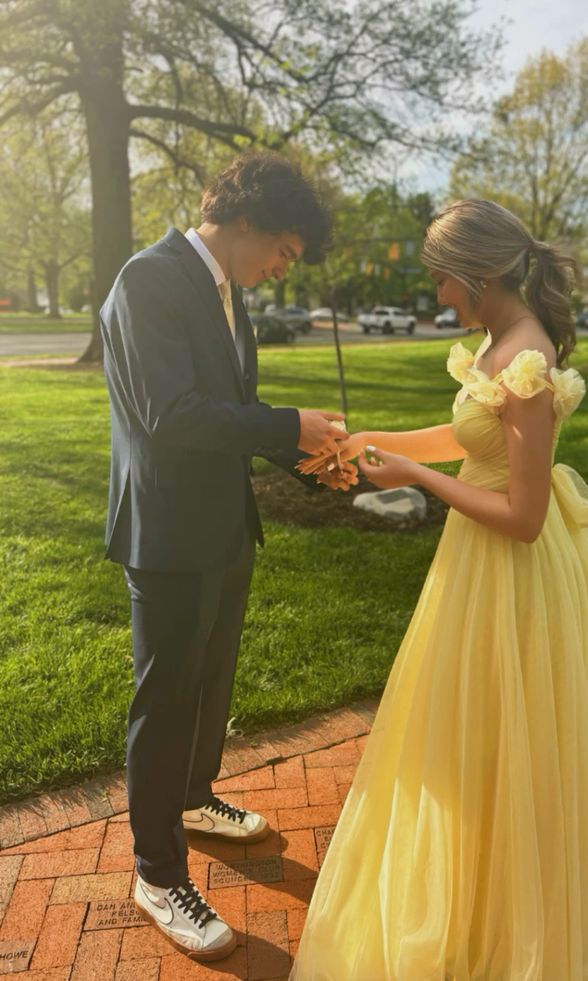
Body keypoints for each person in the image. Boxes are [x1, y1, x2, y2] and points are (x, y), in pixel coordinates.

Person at [291, 199, 588, 979]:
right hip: (474, 568)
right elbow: (467, 438)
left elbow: (522, 511)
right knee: (470, 733)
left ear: (477, 274)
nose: (438, 294)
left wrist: (414, 479)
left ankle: (509, 921)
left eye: (442, 280)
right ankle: (475, 891)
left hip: (512, 573)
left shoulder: (529, 360)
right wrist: (374, 439)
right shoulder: (494, 343)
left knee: (502, 735)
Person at [100, 151, 357, 963]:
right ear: (245, 221)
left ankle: (195, 798)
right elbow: (170, 415)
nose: (284, 267)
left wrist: (312, 463)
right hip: (169, 532)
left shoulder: (225, 290)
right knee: (167, 697)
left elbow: (234, 408)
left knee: (210, 682)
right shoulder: (148, 280)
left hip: (223, 526)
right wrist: (288, 425)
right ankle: (155, 869)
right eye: (284, 249)